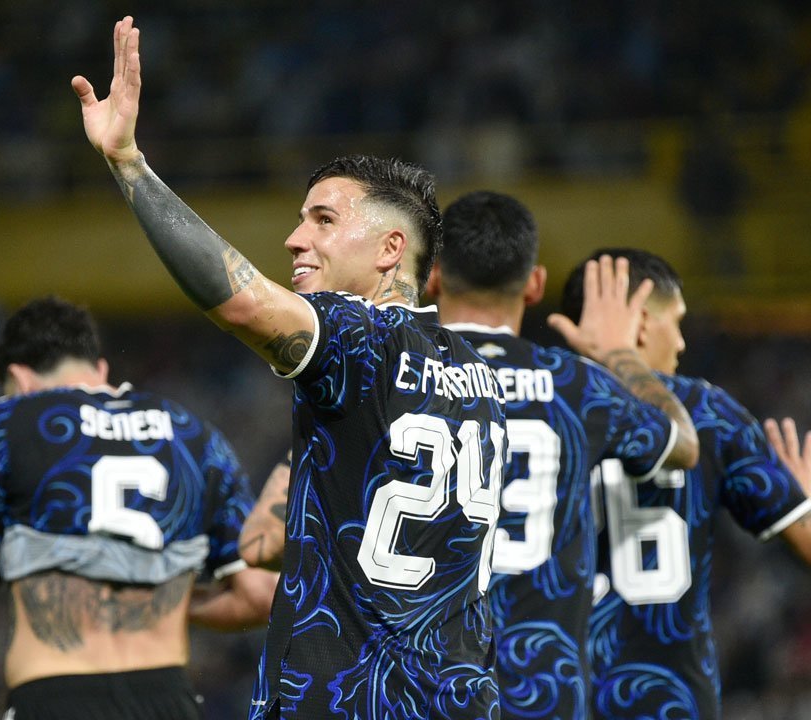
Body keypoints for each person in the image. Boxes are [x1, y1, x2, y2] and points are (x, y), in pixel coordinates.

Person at [74, 17, 508, 719]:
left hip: (344, 698)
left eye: (323, 220)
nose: (294, 238)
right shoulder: (480, 378)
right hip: (456, 698)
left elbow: (243, 303)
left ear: (390, 248)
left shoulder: (361, 337)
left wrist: (129, 163)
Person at [0, 295, 276, 720]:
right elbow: (260, 594)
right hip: (167, 699)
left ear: (19, 380)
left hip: (56, 697)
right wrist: (157, 602)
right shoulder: (194, 436)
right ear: (101, 370)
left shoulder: (7, 421)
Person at [427, 191, 699, 720]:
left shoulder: (396, 376)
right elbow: (682, 444)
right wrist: (617, 354)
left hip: (421, 689)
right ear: (535, 285)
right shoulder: (579, 385)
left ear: (433, 276)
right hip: (544, 689)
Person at [555, 248, 811, 719]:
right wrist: (799, 500)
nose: (682, 342)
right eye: (676, 322)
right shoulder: (707, 413)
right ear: (641, 322)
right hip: (673, 697)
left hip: (556, 694)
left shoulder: (541, 402)